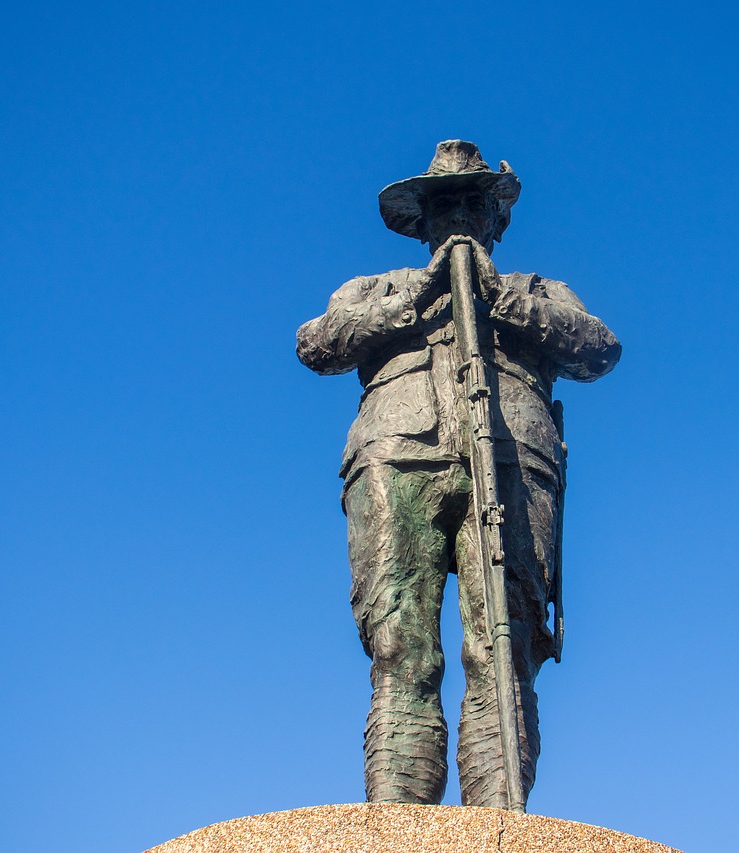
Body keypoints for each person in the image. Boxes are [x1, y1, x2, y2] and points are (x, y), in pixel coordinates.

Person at [296, 140, 621, 808]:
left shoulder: (538, 292)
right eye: (445, 205)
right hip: (397, 455)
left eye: (475, 202)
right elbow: (317, 343)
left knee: (503, 652)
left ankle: (498, 825)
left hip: (512, 458)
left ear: (497, 219)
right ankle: (396, 827)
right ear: (422, 223)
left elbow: (599, 348)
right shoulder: (376, 289)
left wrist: (499, 299)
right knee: (400, 648)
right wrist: (422, 293)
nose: (461, 217)